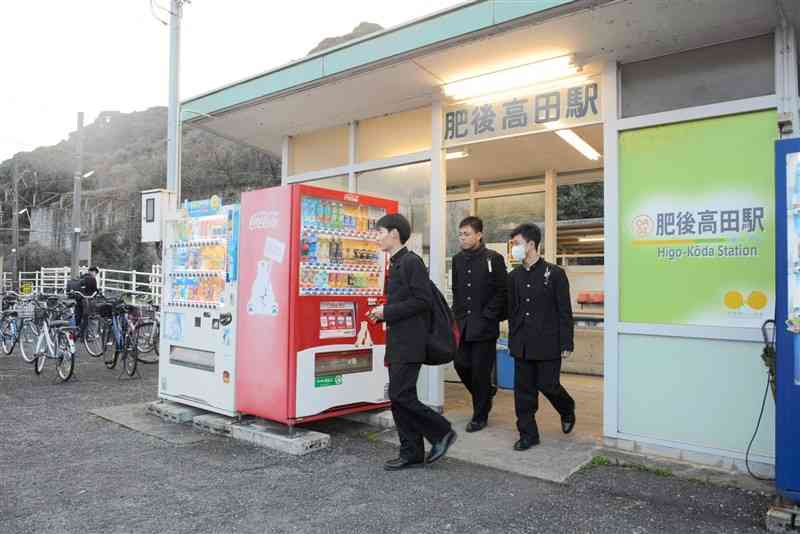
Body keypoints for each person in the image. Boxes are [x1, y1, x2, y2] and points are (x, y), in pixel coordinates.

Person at [367, 213, 457, 470]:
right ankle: (411, 452)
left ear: (394, 233)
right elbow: (404, 303)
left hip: (411, 343)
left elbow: (422, 301)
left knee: (400, 394)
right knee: (399, 397)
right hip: (399, 340)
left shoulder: (411, 262)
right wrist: (380, 313)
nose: (377, 237)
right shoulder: (396, 263)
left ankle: (442, 431)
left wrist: (386, 312)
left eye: (380, 232)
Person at [507, 223, 576, 451]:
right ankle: (528, 434)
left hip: (548, 342)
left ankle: (566, 408)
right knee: (524, 392)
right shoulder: (514, 276)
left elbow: (564, 311)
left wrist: (566, 342)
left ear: (531, 244)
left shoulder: (555, 274)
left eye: (517, 243)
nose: (514, 248)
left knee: (549, 385)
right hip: (522, 344)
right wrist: (512, 340)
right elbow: (513, 310)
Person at [451, 216, 507, 433]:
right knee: (460, 364)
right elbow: (456, 289)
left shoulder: (494, 258)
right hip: (463, 324)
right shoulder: (457, 259)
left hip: (484, 326)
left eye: (466, 234)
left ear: (479, 235)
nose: (462, 238)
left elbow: (503, 291)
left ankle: (479, 415)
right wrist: (456, 316)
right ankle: (485, 394)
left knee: (480, 372)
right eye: (460, 234)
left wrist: (488, 315)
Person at [73, 266, 99, 337]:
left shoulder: (83, 278)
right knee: (88, 315)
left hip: (81, 299)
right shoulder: (91, 279)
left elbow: (77, 288)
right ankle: (86, 332)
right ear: (92, 272)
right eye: (95, 273)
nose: (95, 274)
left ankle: (78, 330)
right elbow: (94, 290)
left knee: (79, 315)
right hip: (87, 300)